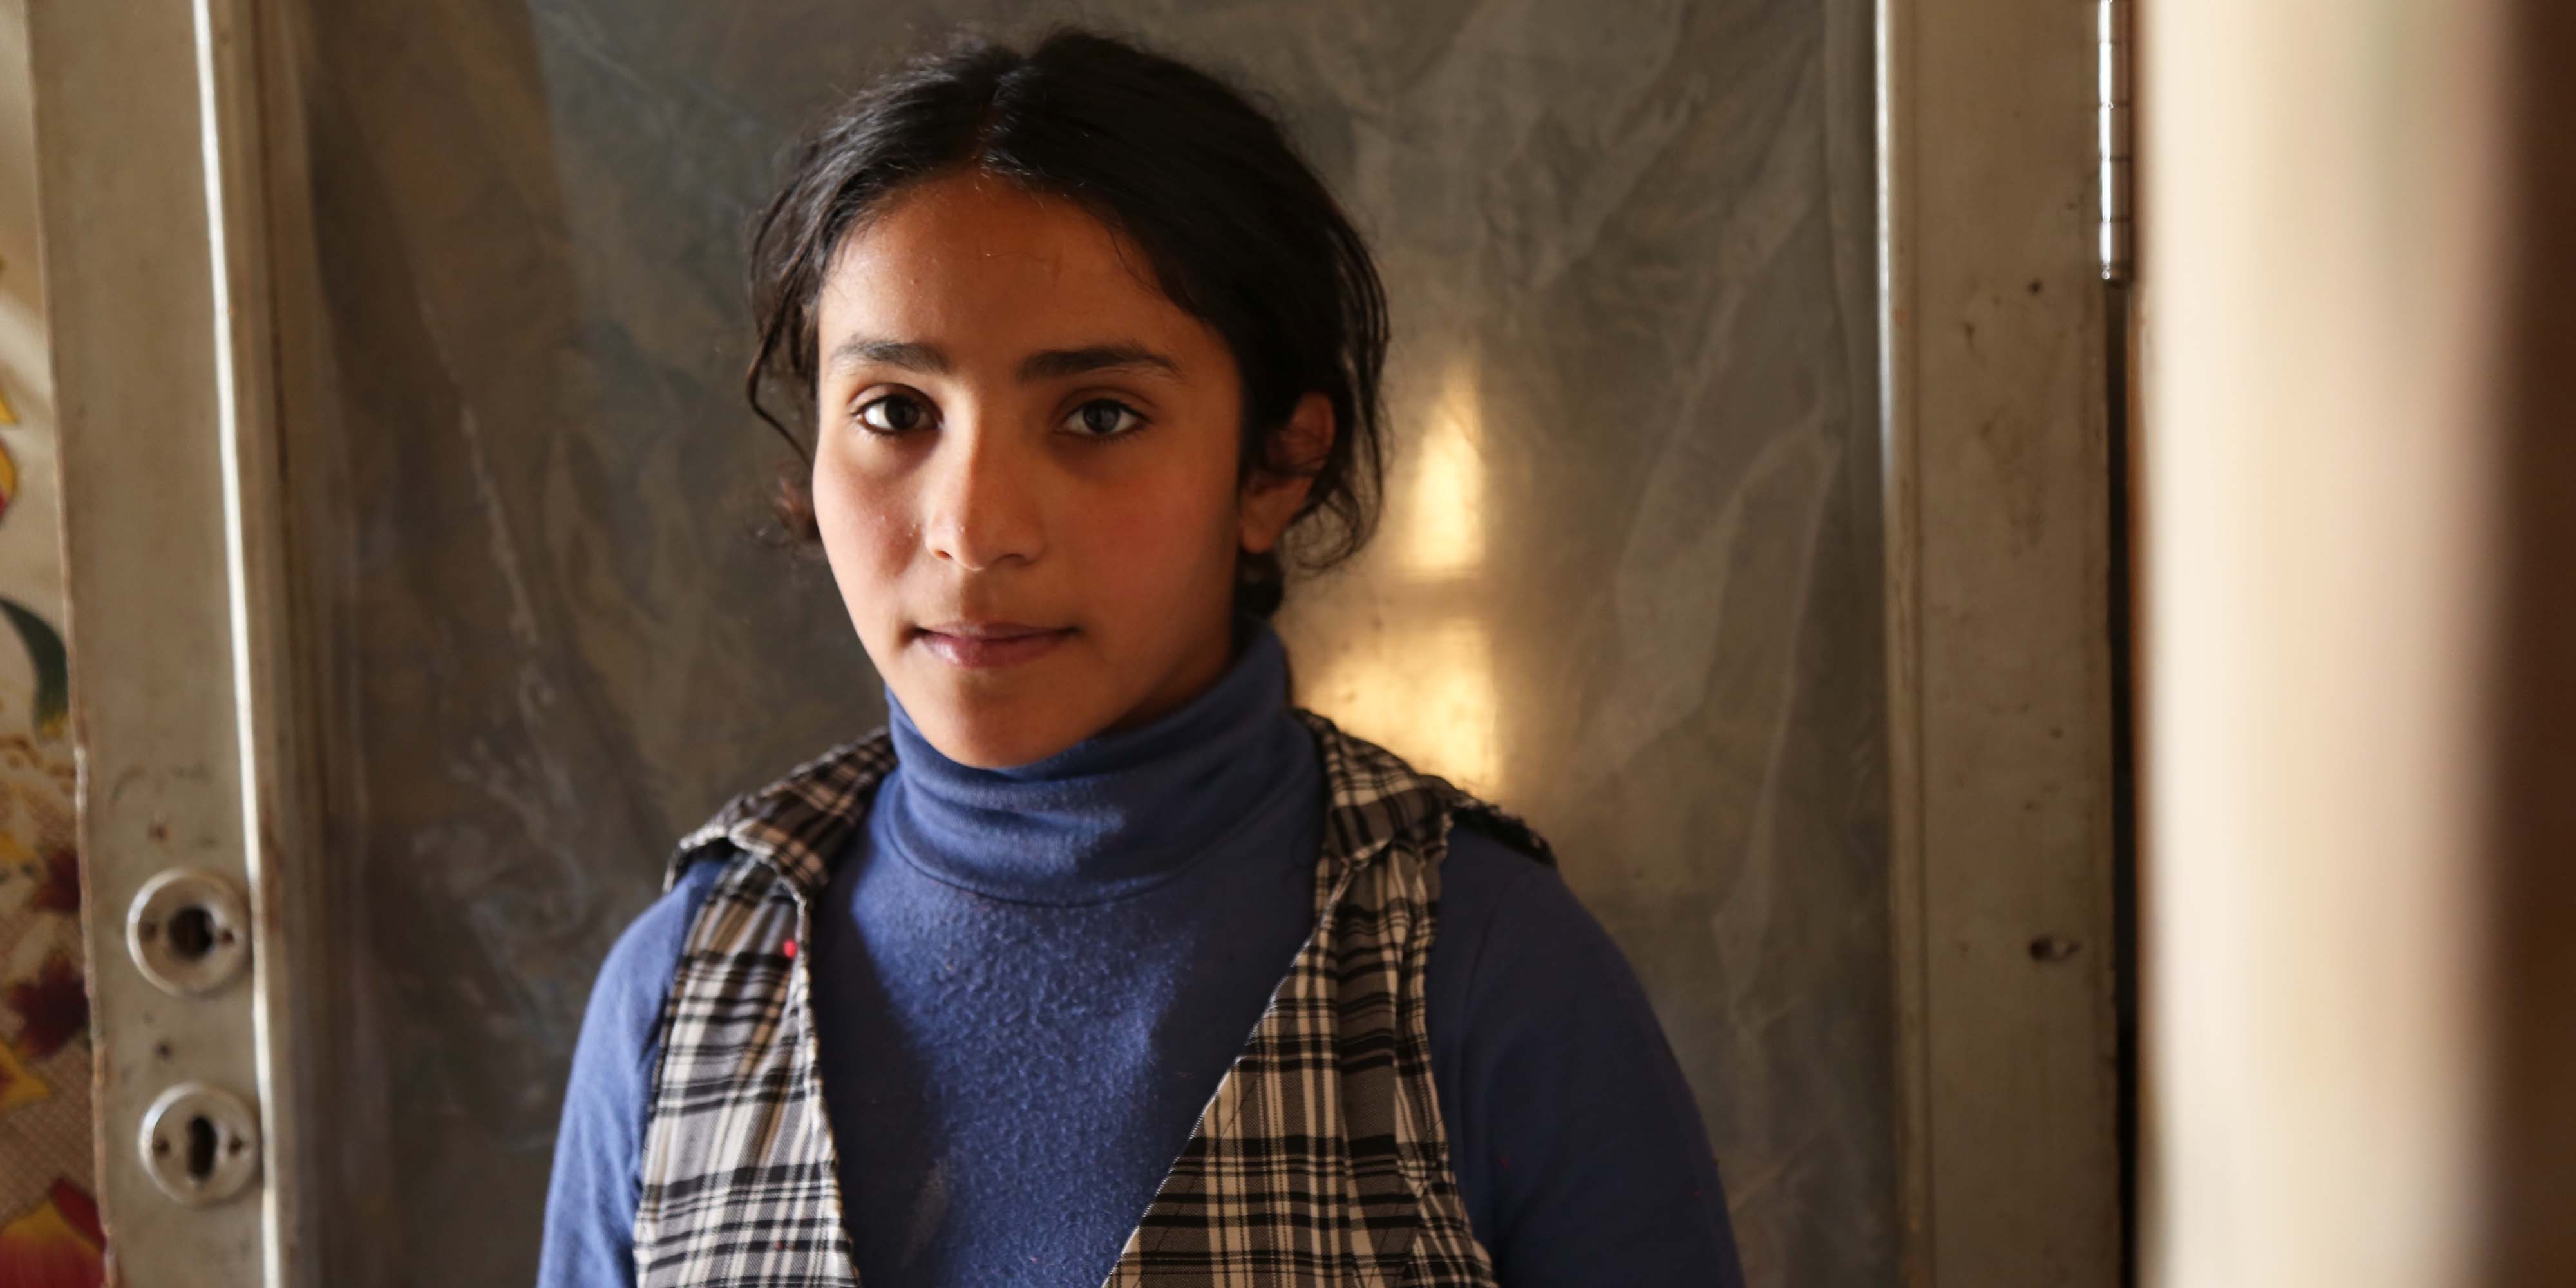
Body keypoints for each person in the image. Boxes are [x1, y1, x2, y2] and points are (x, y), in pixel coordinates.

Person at [537, 27, 1743, 1288]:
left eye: (1098, 416)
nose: (973, 529)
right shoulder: (688, 992)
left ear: (1276, 466)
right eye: (895, 412)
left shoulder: (1476, 974)